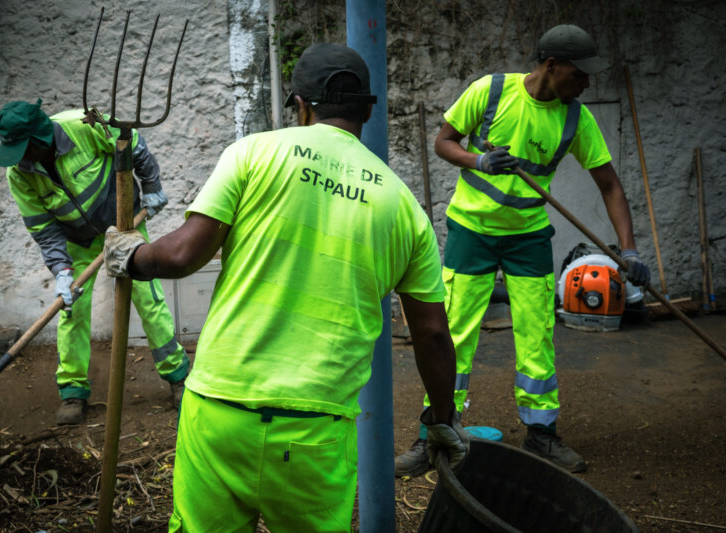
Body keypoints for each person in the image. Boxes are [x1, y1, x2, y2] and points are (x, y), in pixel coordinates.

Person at [104, 43, 469, 532]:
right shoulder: (405, 209)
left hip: (219, 413)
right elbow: (432, 335)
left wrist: (130, 254)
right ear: (366, 110)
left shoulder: (252, 153)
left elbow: (180, 255)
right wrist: (441, 417)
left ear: (300, 105)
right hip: (315, 431)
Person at [394, 24, 651, 476]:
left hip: (529, 236)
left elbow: (609, 185)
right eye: (579, 73)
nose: (586, 82)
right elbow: (443, 142)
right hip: (471, 230)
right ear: (551, 65)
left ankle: (542, 435)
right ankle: (433, 433)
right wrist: (479, 160)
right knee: (453, 335)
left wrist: (628, 251)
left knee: (537, 337)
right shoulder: (490, 92)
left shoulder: (575, 119)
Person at [0, 100, 190, 425]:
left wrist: (152, 187)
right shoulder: (19, 174)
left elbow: (135, 148)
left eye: (23, 149)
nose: (20, 160)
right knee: (71, 309)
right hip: (77, 238)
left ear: (40, 139)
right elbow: (43, 227)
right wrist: (61, 271)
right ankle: (73, 392)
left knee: (147, 298)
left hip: (124, 219)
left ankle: (178, 377)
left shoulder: (84, 126)